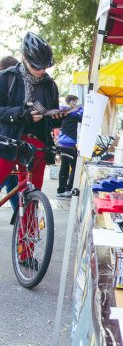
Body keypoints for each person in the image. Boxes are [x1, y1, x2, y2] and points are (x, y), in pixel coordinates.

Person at [0, 32, 63, 267]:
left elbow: (53, 122)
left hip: (36, 144)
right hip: (7, 141)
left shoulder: (50, 85)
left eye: (45, 66)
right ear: (24, 57)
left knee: (32, 198)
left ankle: (26, 253)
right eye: (37, 66)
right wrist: (20, 113)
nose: (42, 71)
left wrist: (57, 117)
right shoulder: (6, 78)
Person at [0, 55, 19, 210]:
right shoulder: (10, 84)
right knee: (9, 181)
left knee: (10, 182)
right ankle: (17, 213)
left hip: (6, 141)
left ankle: (17, 214)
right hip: (7, 140)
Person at [56, 95, 83, 198]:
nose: (77, 104)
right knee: (75, 168)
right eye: (76, 101)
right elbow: (83, 117)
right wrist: (79, 107)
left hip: (62, 144)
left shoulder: (63, 112)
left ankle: (61, 190)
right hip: (70, 145)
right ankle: (68, 190)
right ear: (72, 102)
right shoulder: (72, 114)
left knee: (64, 167)